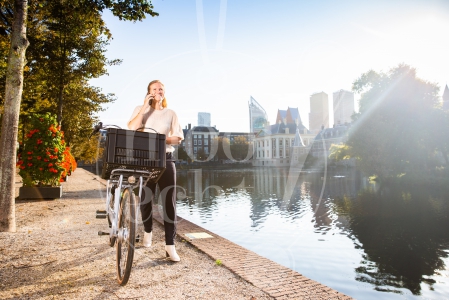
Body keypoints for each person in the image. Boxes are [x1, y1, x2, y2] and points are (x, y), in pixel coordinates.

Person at [128, 80, 184, 262]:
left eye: (161, 89)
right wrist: (145, 105)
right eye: (154, 89)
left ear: (164, 93)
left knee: (169, 203)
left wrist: (161, 140)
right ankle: (148, 231)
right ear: (148, 92)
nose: (158, 91)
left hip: (166, 159)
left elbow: (178, 139)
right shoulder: (141, 109)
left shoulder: (171, 113)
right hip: (144, 160)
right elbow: (132, 128)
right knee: (145, 199)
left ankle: (170, 246)